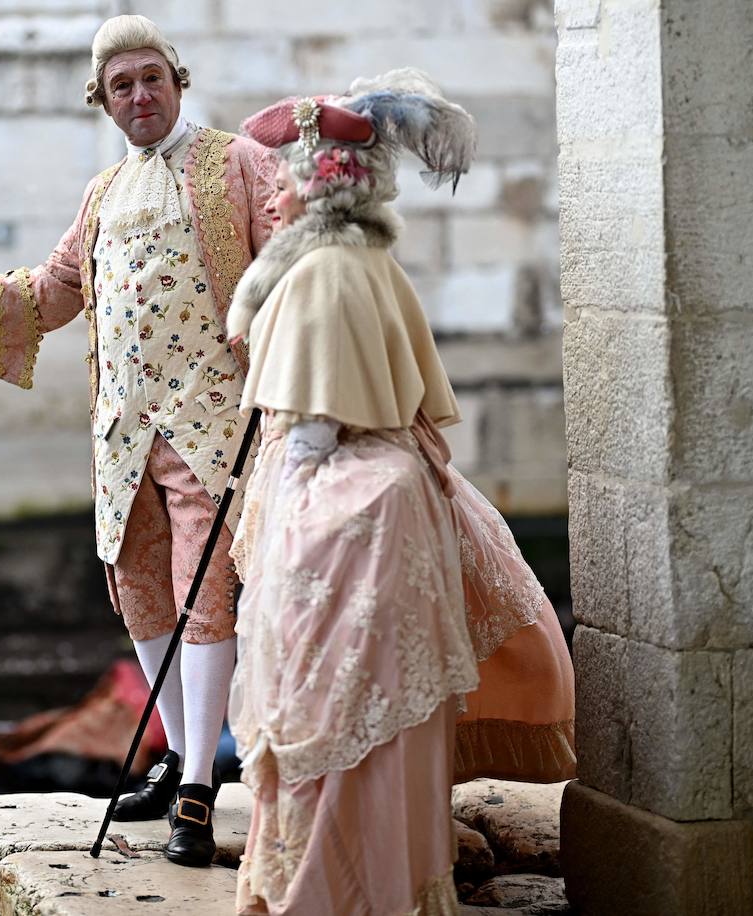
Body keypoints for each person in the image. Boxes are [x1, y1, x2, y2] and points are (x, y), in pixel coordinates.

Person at [0, 14, 277, 867]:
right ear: (104, 100)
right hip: (125, 434)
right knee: (140, 589)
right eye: (120, 86)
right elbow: (51, 292)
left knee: (208, 599)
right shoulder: (101, 196)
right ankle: (168, 752)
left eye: (150, 78)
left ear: (176, 79)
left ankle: (198, 783)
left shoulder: (235, 162)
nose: (138, 97)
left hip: (213, 427)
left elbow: (290, 269)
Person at [225, 72, 575, 914]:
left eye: (276, 182)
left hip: (348, 532)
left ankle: (338, 885)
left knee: (338, 714)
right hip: (399, 507)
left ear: (308, 186)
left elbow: (311, 429)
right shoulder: (360, 260)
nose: (266, 198)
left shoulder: (319, 276)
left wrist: (286, 516)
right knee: (383, 714)